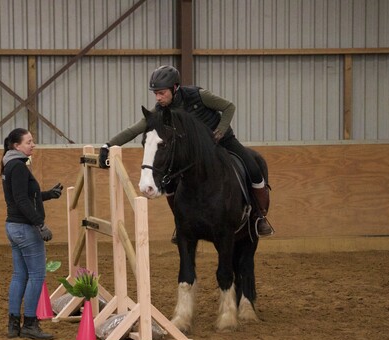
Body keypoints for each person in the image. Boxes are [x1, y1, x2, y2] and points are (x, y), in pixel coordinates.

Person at [98, 65, 273, 238]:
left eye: (161, 93)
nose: (158, 98)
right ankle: (180, 222)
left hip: (223, 141)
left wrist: (218, 133)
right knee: (170, 183)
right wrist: (108, 145)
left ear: (175, 88)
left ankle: (259, 216)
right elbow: (134, 129)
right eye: (155, 93)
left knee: (253, 168)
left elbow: (229, 107)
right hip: (197, 153)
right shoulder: (161, 110)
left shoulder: (199, 95)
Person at [1, 128, 63, 340]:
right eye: (29, 142)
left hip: (13, 227)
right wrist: (40, 224)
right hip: (25, 229)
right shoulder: (18, 167)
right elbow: (21, 200)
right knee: (37, 275)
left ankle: (13, 325)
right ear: (17, 146)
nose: (33, 145)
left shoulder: (9, 164)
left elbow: (26, 196)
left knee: (20, 275)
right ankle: (29, 324)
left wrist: (48, 195)